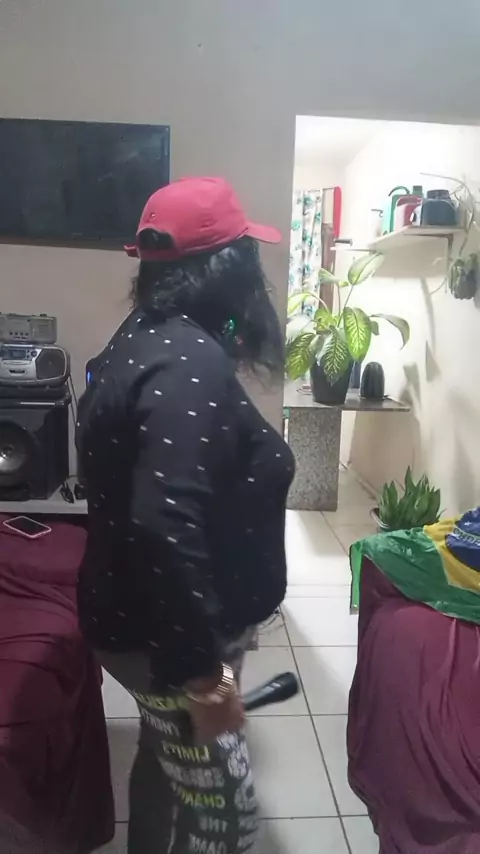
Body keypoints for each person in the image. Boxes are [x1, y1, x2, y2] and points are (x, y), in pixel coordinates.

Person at [75, 176, 294, 854]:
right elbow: (164, 521)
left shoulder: (142, 337)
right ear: (227, 269)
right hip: (169, 639)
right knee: (224, 823)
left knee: (165, 755)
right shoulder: (186, 362)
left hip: (140, 621)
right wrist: (204, 677)